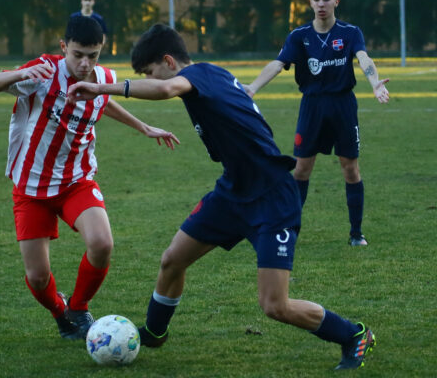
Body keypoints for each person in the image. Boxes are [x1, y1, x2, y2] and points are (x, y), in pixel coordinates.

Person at [67, 23, 376, 370]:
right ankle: (154, 332)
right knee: (172, 259)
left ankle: (353, 334)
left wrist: (101, 88)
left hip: (272, 196)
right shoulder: (211, 78)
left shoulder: (199, 75)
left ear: (169, 61)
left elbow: (168, 86)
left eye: (150, 73)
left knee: (275, 305)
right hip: (232, 192)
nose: (151, 79)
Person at [0, 16, 178, 340]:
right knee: (38, 277)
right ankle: (61, 315)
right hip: (31, 187)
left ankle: (78, 306)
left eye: (93, 55)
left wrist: (143, 127)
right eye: (78, 55)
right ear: (64, 47)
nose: (86, 64)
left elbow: (104, 100)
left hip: (76, 180)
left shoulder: (102, 78)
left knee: (102, 243)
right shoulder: (43, 71)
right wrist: (21, 73)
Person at [243, 0, 390, 247]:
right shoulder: (298, 36)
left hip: (342, 106)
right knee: (301, 170)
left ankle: (356, 233)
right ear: (310, 2)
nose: (321, 4)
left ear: (336, 2)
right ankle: (291, 230)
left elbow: (363, 58)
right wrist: (252, 88)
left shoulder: (350, 32)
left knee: (350, 169)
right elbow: (278, 64)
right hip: (311, 106)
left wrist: (374, 83)